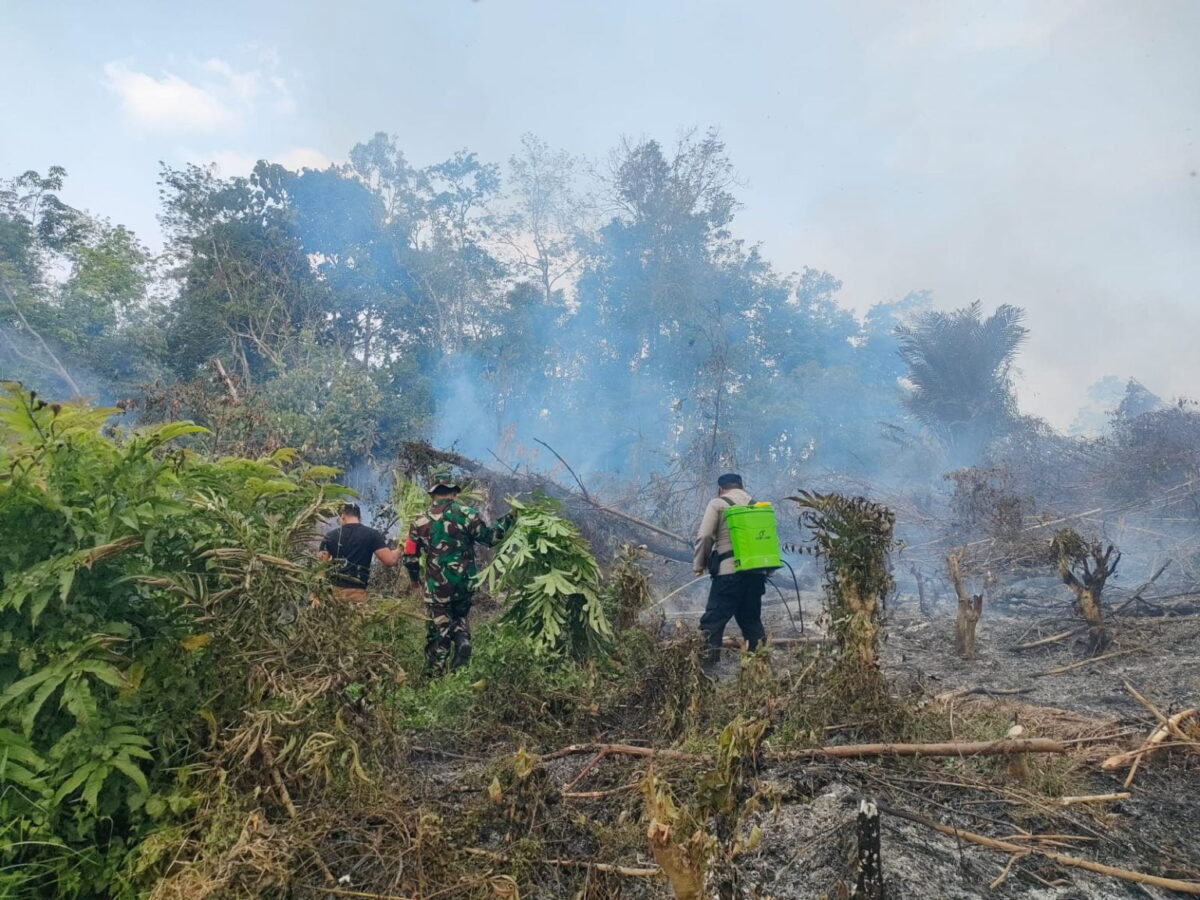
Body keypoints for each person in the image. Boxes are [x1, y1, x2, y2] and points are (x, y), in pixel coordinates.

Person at [405, 471, 514, 672]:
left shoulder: (419, 521)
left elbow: (410, 555)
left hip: (436, 586)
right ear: (453, 494)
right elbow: (491, 538)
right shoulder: (467, 514)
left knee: (438, 630)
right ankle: (462, 639)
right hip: (465, 583)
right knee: (459, 616)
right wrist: (511, 517)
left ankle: (435, 674)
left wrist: (414, 581)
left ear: (433, 495)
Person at [692, 473, 767, 664]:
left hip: (728, 575)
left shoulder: (718, 503)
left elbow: (705, 537)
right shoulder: (757, 505)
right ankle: (760, 668)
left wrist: (699, 565)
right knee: (751, 622)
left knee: (713, 623)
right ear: (742, 486)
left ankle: (707, 671)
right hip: (755, 575)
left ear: (720, 488)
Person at [318, 503, 400, 607]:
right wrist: (400, 549)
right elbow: (390, 560)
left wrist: (316, 595)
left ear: (342, 517)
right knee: (356, 621)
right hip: (358, 594)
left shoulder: (330, 536)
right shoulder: (372, 534)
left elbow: (320, 568)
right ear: (360, 518)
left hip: (334, 593)